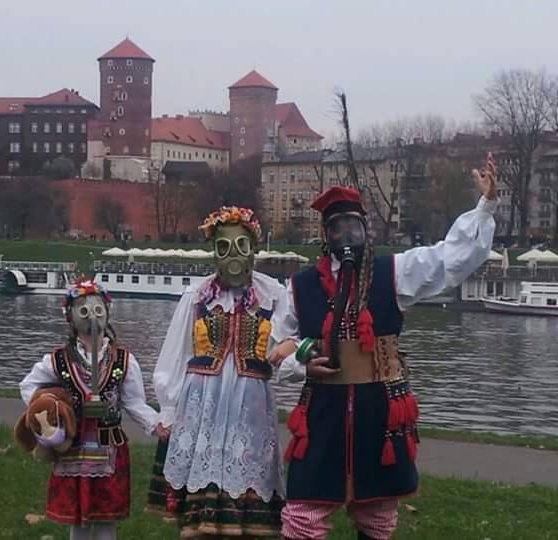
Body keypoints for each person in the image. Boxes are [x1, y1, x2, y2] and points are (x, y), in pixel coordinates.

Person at [269, 155, 497, 540]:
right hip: (323, 414)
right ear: (325, 235)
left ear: (365, 230)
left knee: (376, 518)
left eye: (353, 226)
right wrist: (304, 360)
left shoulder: (394, 273)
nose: (346, 236)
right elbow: (277, 349)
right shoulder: (301, 287)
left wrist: (484, 206)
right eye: (337, 227)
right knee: (304, 516)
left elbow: (448, 261)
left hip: (379, 412)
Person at [147, 207, 285, 538]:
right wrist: (167, 406)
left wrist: (294, 356)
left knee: (247, 475)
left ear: (254, 248)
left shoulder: (274, 294)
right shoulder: (197, 296)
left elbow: (287, 346)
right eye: (224, 247)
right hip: (202, 403)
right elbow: (176, 354)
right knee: (203, 481)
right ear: (214, 252)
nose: (233, 255)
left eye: (241, 245)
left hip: (250, 403)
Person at [19, 278, 161, 540]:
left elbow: (134, 401)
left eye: (98, 310)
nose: (92, 317)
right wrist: (50, 411)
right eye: (84, 311)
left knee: (107, 519)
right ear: (70, 318)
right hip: (72, 444)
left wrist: (156, 424)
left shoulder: (124, 360)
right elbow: (29, 386)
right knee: (79, 520)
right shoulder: (57, 359)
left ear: (107, 313)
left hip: (110, 444)